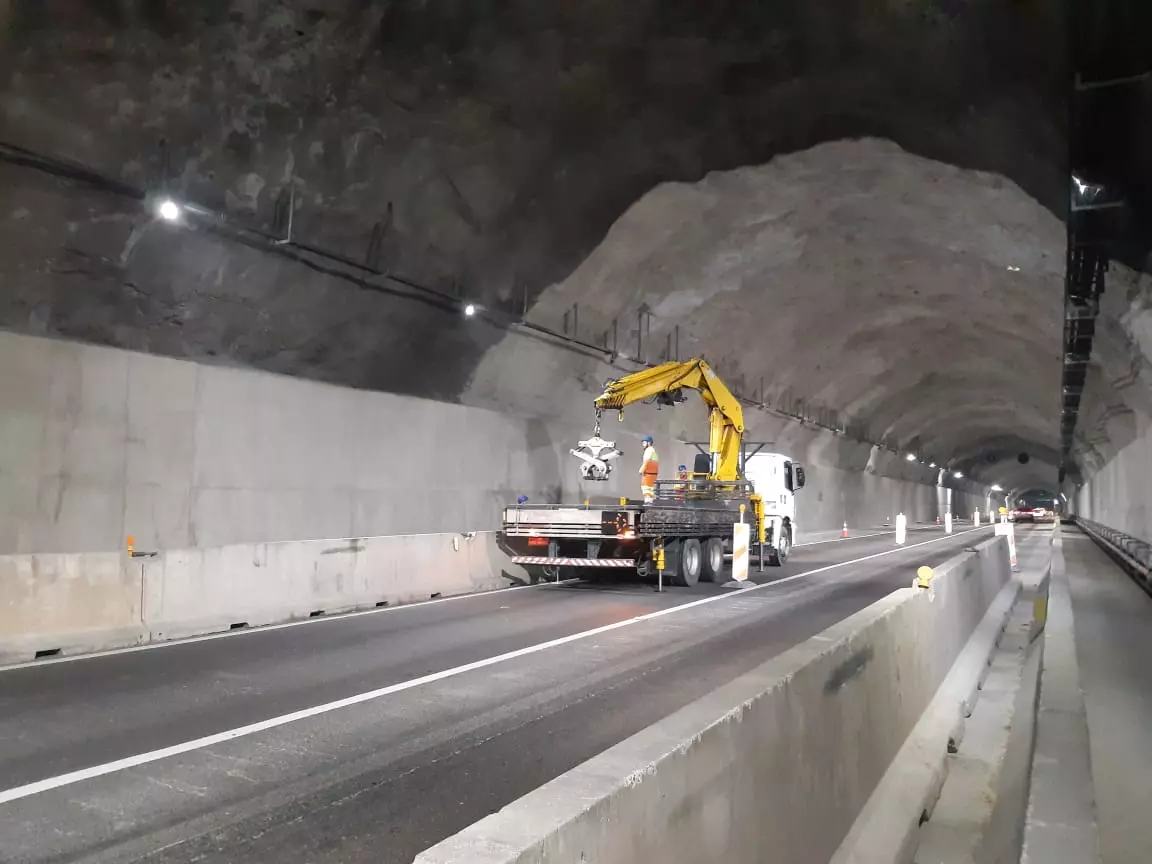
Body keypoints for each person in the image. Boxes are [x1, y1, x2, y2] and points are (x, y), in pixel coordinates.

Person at [639, 435, 659, 503]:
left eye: (644, 443)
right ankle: (651, 501)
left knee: (645, 488)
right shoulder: (653, 451)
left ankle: (648, 502)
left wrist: (641, 470)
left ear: (649, 443)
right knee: (650, 489)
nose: (643, 445)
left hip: (648, 474)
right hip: (653, 474)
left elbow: (646, 462)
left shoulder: (648, 450)